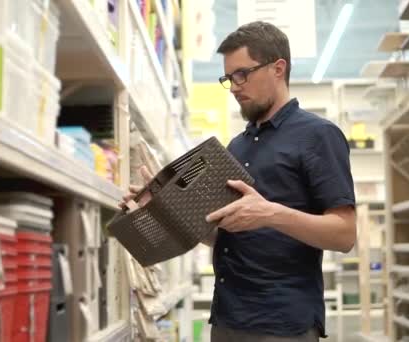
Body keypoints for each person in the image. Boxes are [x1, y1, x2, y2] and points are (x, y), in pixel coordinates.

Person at [122, 21, 356, 342]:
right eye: (228, 78)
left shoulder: (318, 136)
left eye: (242, 74)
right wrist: (164, 209)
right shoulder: (237, 147)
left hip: (282, 324)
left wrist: (270, 214)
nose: (234, 86)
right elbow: (225, 237)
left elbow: (344, 234)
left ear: (278, 68)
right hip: (228, 319)